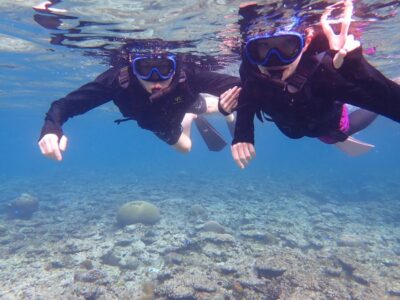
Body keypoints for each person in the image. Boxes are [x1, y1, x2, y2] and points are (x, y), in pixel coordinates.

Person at [229, 0, 400, 168]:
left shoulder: (328, 73)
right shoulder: (251, 69)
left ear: (307, 41)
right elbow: (248, 93)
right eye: (262, 48)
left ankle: (392, 82)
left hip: (328, 128)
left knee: (339, 132)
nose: (274, 59)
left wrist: (360, 73)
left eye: (287, 45)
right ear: (250, 50)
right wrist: (243, 132)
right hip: (294, 127)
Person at [38, 50, 240, 161]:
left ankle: (223, 113)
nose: (157, 81)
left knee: (212, 106)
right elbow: (66, 105)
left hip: (183, 101)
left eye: (164, 69)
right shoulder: (117, 81)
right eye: (145, 70)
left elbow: (243, 86)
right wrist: (51, 129)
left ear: (175, 67)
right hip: (156, 122)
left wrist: (229, 103)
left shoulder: (187, 75)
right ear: (133, 69)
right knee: (186, 148)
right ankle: (191, 117)